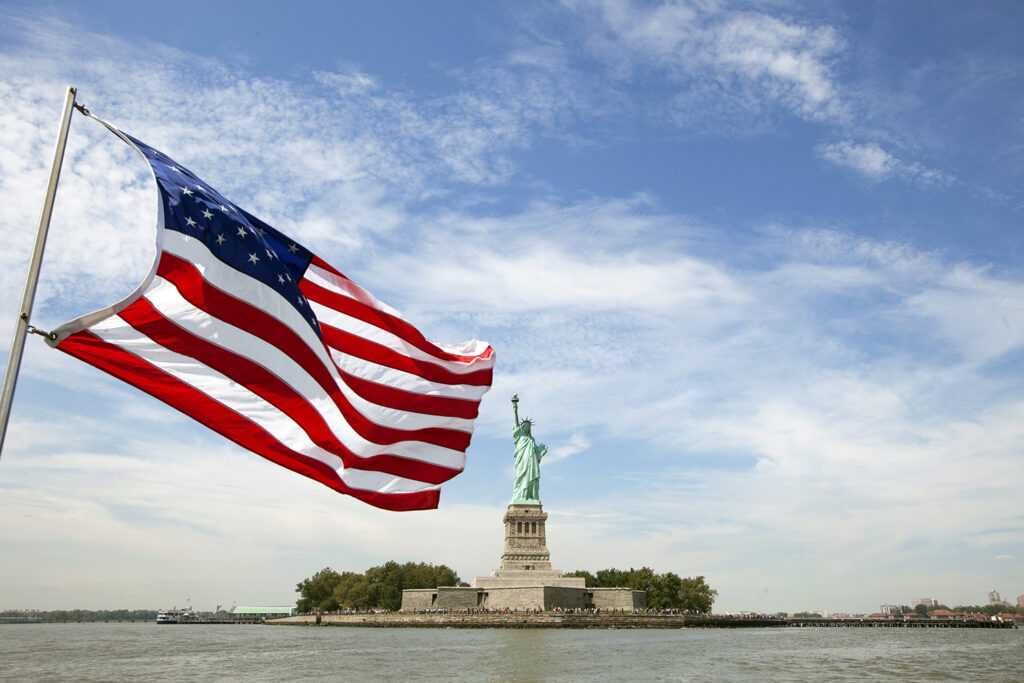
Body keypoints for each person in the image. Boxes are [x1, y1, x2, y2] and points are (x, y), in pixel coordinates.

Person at [511, 394, 547, 504]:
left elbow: (536, 451)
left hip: (531, 461)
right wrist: (515, 408)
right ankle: (521, 496)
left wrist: (541, 452)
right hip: (522, 462)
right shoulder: (519, 436)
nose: (526, 427)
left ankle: (530, 497)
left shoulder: (532, 439)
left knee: (531, 478)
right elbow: (516, 423)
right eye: (524, 426)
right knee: (521, 478)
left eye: (528, 426)